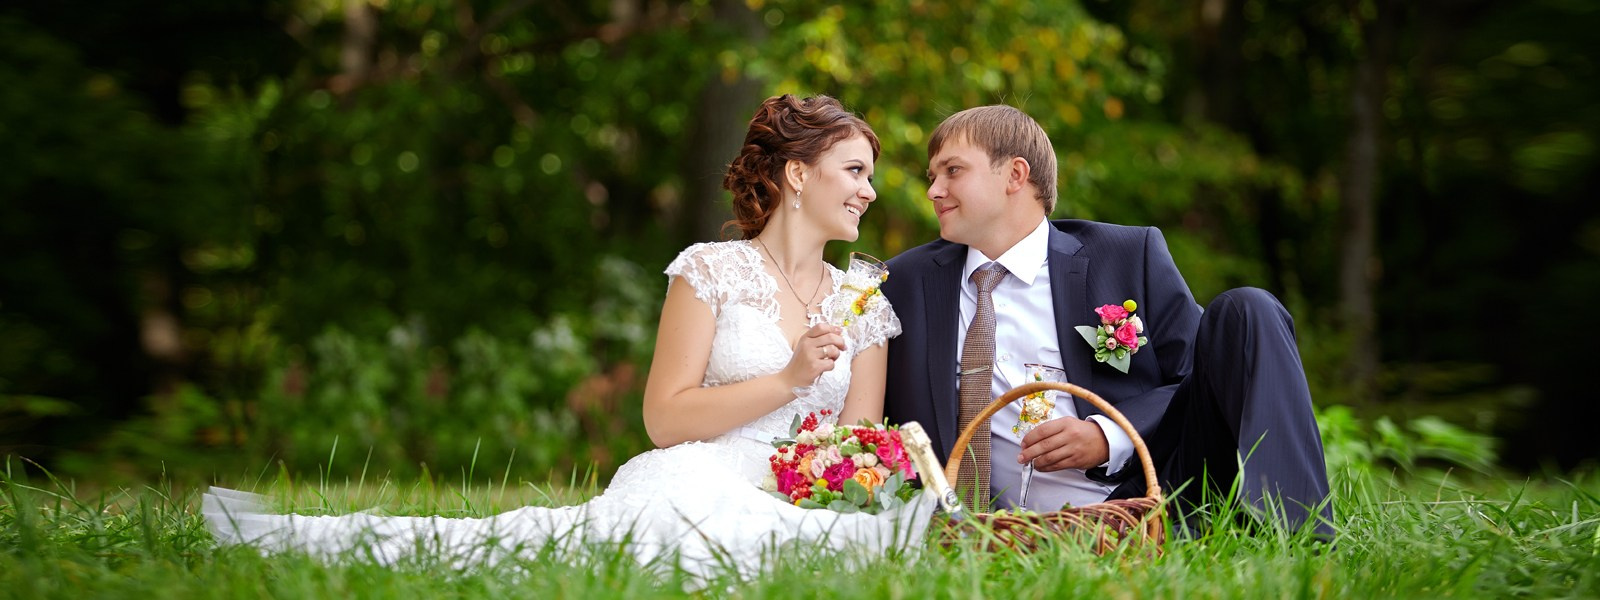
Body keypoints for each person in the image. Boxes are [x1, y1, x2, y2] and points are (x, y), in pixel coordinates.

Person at [203, 94, 934, 584]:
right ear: (799, 174)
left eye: (870, 175)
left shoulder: (861, 300)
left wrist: (829, 478)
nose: (870, 190)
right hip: (698, 473)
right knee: (546, 545)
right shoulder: (709, 271)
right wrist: (786, 380)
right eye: (856, 170)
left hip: (797, 493)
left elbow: (858, 437)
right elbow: (665, 418)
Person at [881, 104, 1334, 538]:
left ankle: (1301, 536)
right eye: (933, 176)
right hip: (983, 529)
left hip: (1149, 498)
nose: (934, 190)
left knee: (1248, 308)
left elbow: (1197, 377)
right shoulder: (903, 281)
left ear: (1015, 175)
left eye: (952, 171)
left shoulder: (1127, 256)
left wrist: (1109, 434)